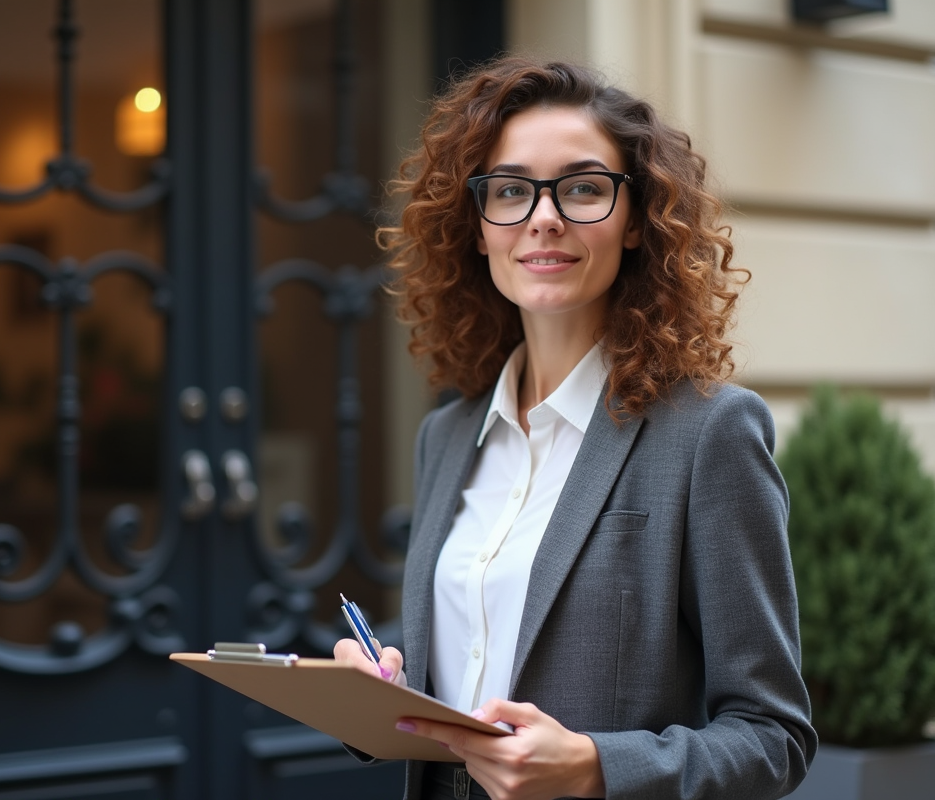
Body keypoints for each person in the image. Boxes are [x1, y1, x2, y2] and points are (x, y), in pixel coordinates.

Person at [335, 57, 816, 800]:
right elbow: (486, 628)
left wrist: (595, 767)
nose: (544, 216)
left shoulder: (709, 434)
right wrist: (381, 675)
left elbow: (772, 738)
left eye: (585, 188)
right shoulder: (448, 435)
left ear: (635, 221)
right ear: (478, 225)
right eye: (511, 190)